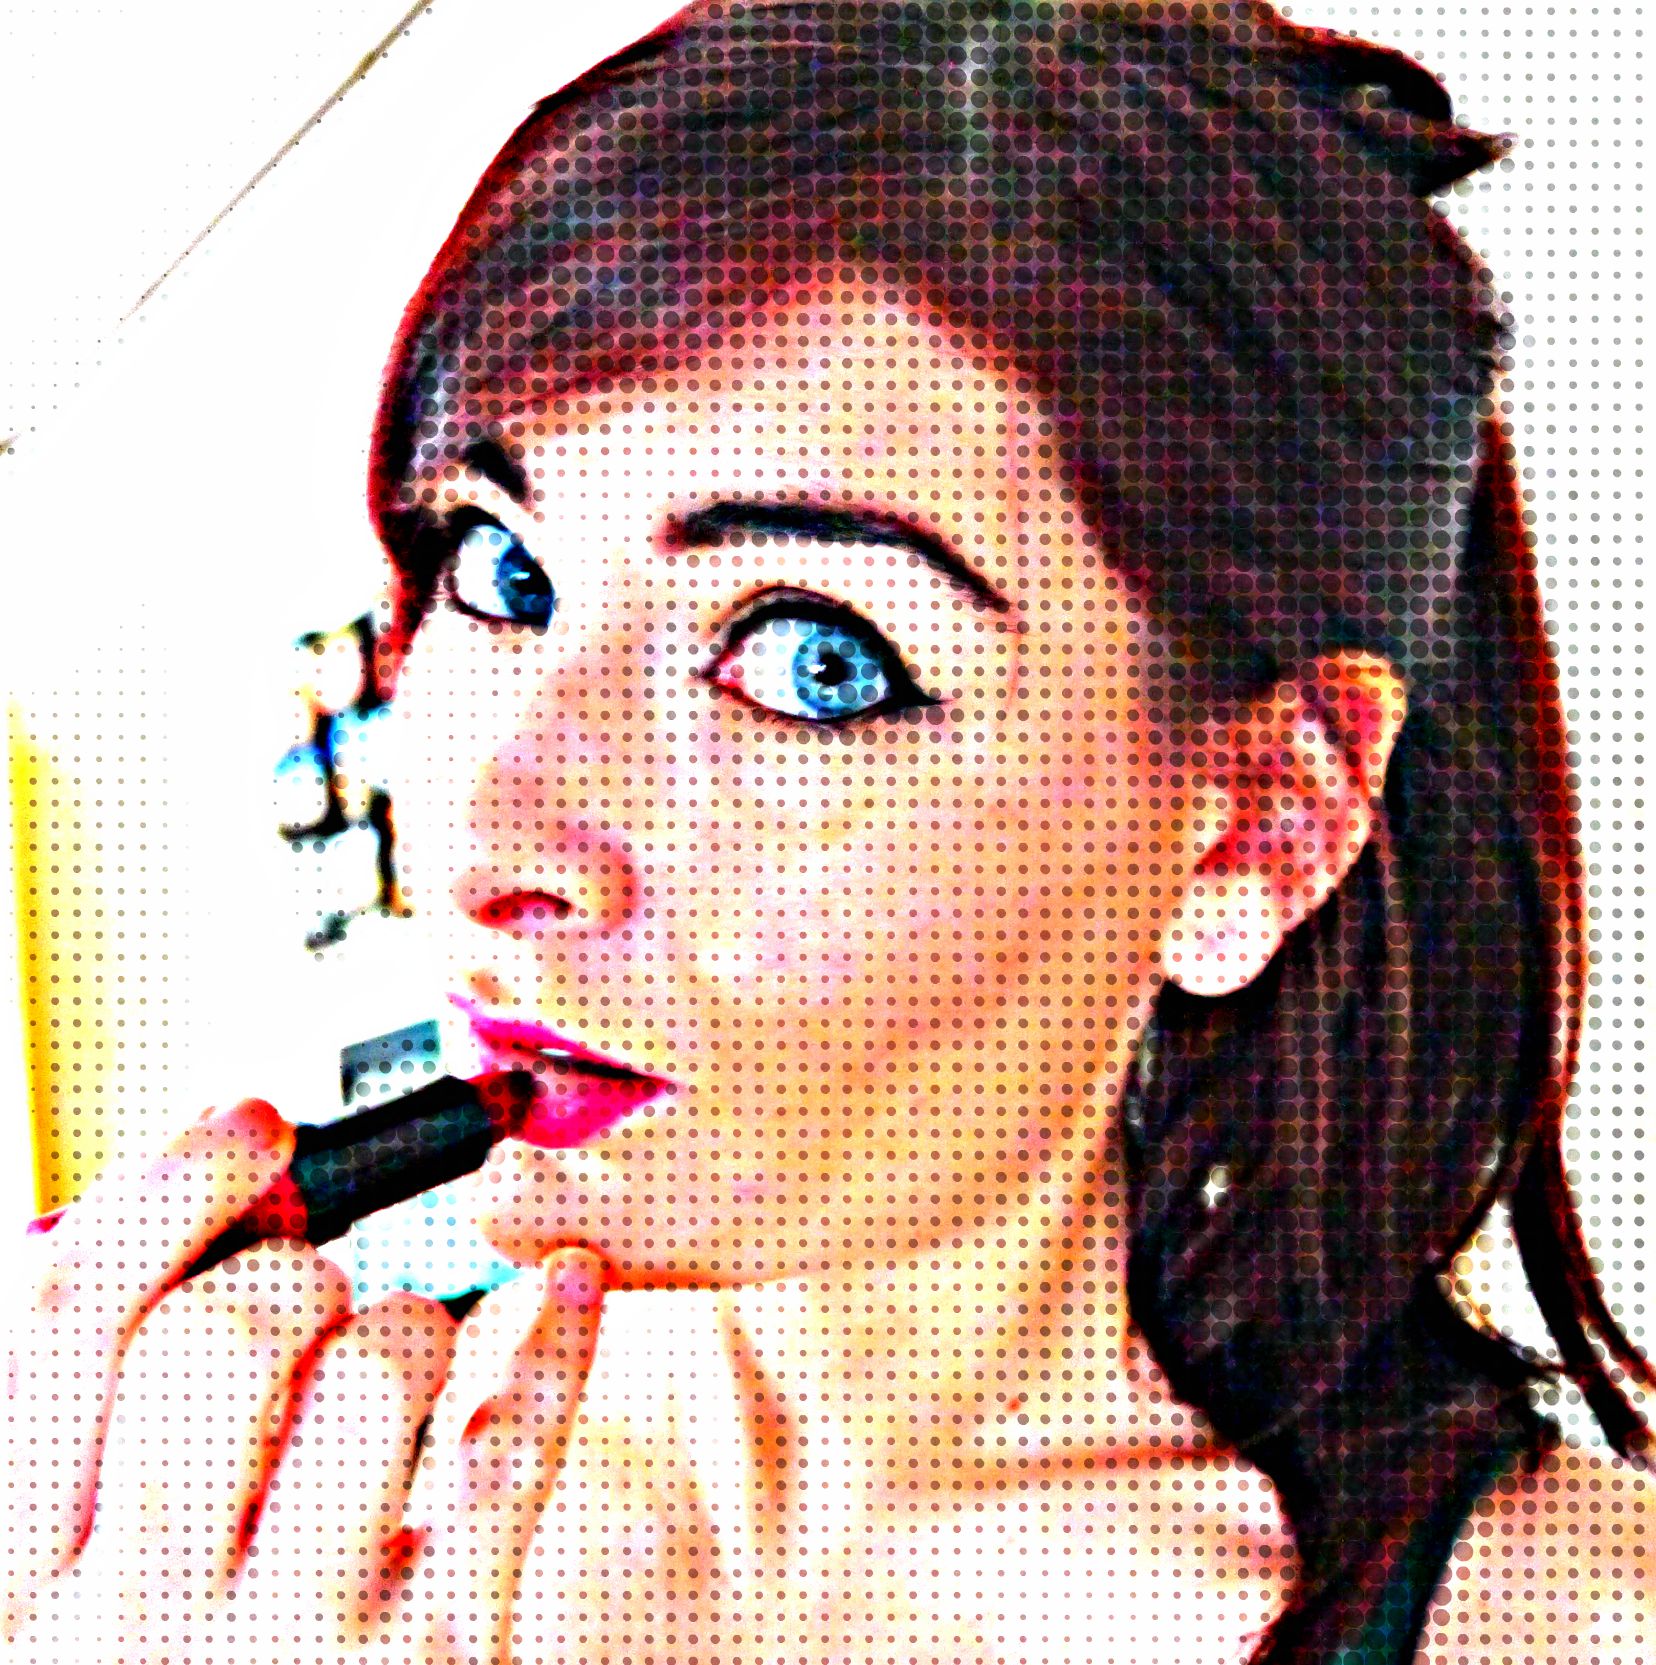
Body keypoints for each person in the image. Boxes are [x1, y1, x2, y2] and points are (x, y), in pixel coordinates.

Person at [6, 2, 1653, 1661]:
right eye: (502, 571)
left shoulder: (1565, 1621)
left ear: (1256, 829)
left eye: (813, 659)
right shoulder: (169, 1539)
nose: (496, 842)